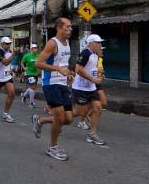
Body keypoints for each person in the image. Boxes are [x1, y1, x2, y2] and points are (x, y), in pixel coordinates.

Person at [31, 17, 73, 161]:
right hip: (51, 83)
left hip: (62, 83)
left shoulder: (67, 43)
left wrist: (68, 74)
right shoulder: (52, 43)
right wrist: (57, 69)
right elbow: (38, 63)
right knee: (59, 117)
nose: (70, 29)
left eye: (71, 26)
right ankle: (52, 148)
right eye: (67, 26)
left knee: (68, 119)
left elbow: (63, 64)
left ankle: (40, 121)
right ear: (59, 28)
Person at [71, 34, 106, 145]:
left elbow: (92, 69)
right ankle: (58, 119)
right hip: (80, 88)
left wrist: (98, 77)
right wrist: (93, 79)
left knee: (98, 108)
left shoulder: (96, 55)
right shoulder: (85, 53)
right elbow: (78, 69)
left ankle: (92, 135)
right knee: (80, 112)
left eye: (100, 43)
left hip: (91, 88)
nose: (100, 45)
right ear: (91, 44)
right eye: (98, 43)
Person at [0, 37, 19, 122]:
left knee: (12, 94)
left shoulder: (10, 52)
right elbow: (5, 63)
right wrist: (14, 54)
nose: (8, 45)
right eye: (6, 43)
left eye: (9, 43)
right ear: (2, 44)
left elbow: (9, 65)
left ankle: (6, 114)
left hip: (7, 77)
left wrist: (12, 71)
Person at [20, 44, 40, 108]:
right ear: (31, 49)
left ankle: (24, 95)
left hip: (35, 73)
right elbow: (22, 62)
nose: (36, 49)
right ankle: (31, 102)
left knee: (33, 88)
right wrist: (24, 68)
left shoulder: (38, 55)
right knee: (33, 87)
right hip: (29, 73)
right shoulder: (27, 56)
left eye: (36, 48)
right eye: (34, 48)